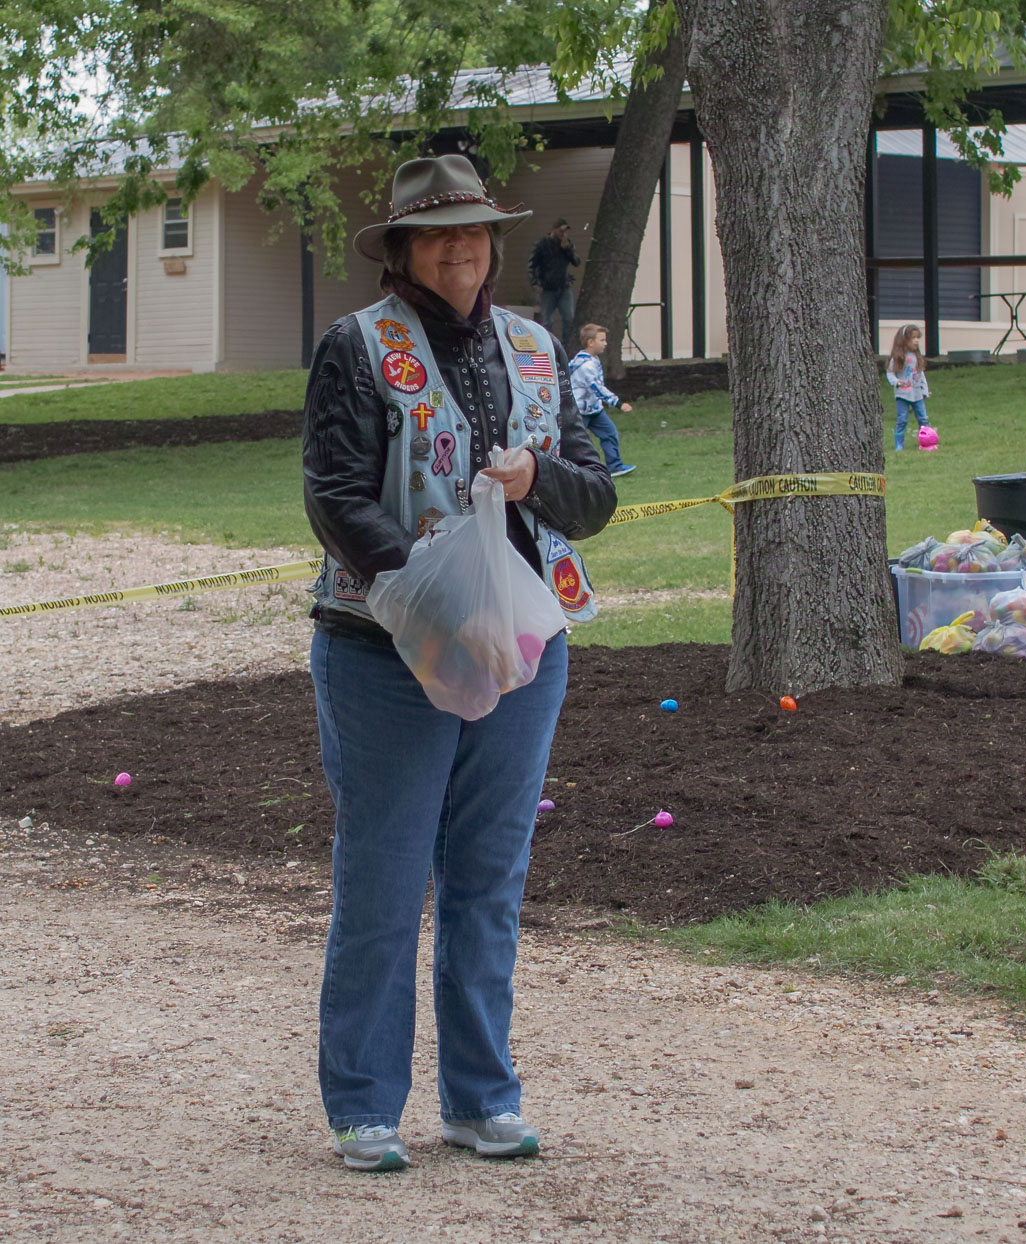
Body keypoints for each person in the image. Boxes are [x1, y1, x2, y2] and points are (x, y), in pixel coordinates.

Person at [303, 154, 618, 1171]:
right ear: (401, 250)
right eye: (437, 234)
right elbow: (333, 491)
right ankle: (363, 1104)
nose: (459, 249)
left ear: (493, 243)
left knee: (488, 880)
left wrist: (536, 476)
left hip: (523, 648)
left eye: (475, 231)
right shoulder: (356, 346)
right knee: (385, 880)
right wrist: (421, 591)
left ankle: (481, 1099)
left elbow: (595, 495)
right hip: (384, 649)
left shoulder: (536, 347)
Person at [569, 322, 637, 477]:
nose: (605, 343)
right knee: (577, 442)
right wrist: (618, 404)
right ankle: (573, 471)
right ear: (590, 342)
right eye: (602, 340)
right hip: (579, 411)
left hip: (594, 409)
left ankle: (615, 466)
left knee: (609, 433)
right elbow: (597, 388)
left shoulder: (593, 359)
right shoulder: (586, 365)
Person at [528, 218, 580, 344]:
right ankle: (549, 346)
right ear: (554, 230)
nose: (564, 234)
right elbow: (531, 265)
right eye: (561, 231)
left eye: (565, 231)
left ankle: (566, 347)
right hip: (547, 288)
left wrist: (567, 249)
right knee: (547, 321)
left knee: (569, 318)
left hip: (564, 287)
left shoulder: (567, 244)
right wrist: (535, 282)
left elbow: (576, 262)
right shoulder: (542, 244)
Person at [886, 323, 931, 451]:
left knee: (923, 418)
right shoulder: (897, 358)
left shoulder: (917, 357)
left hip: (917, 394)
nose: (916, 341)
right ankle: (899, 445)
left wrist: (925, 390)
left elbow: (921, 375)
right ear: (904, 339)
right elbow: (890, 372)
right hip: (903, 394)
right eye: (913, 338)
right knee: (902, 420)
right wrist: (896, 382)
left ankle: (926, 441)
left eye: (917, 338)